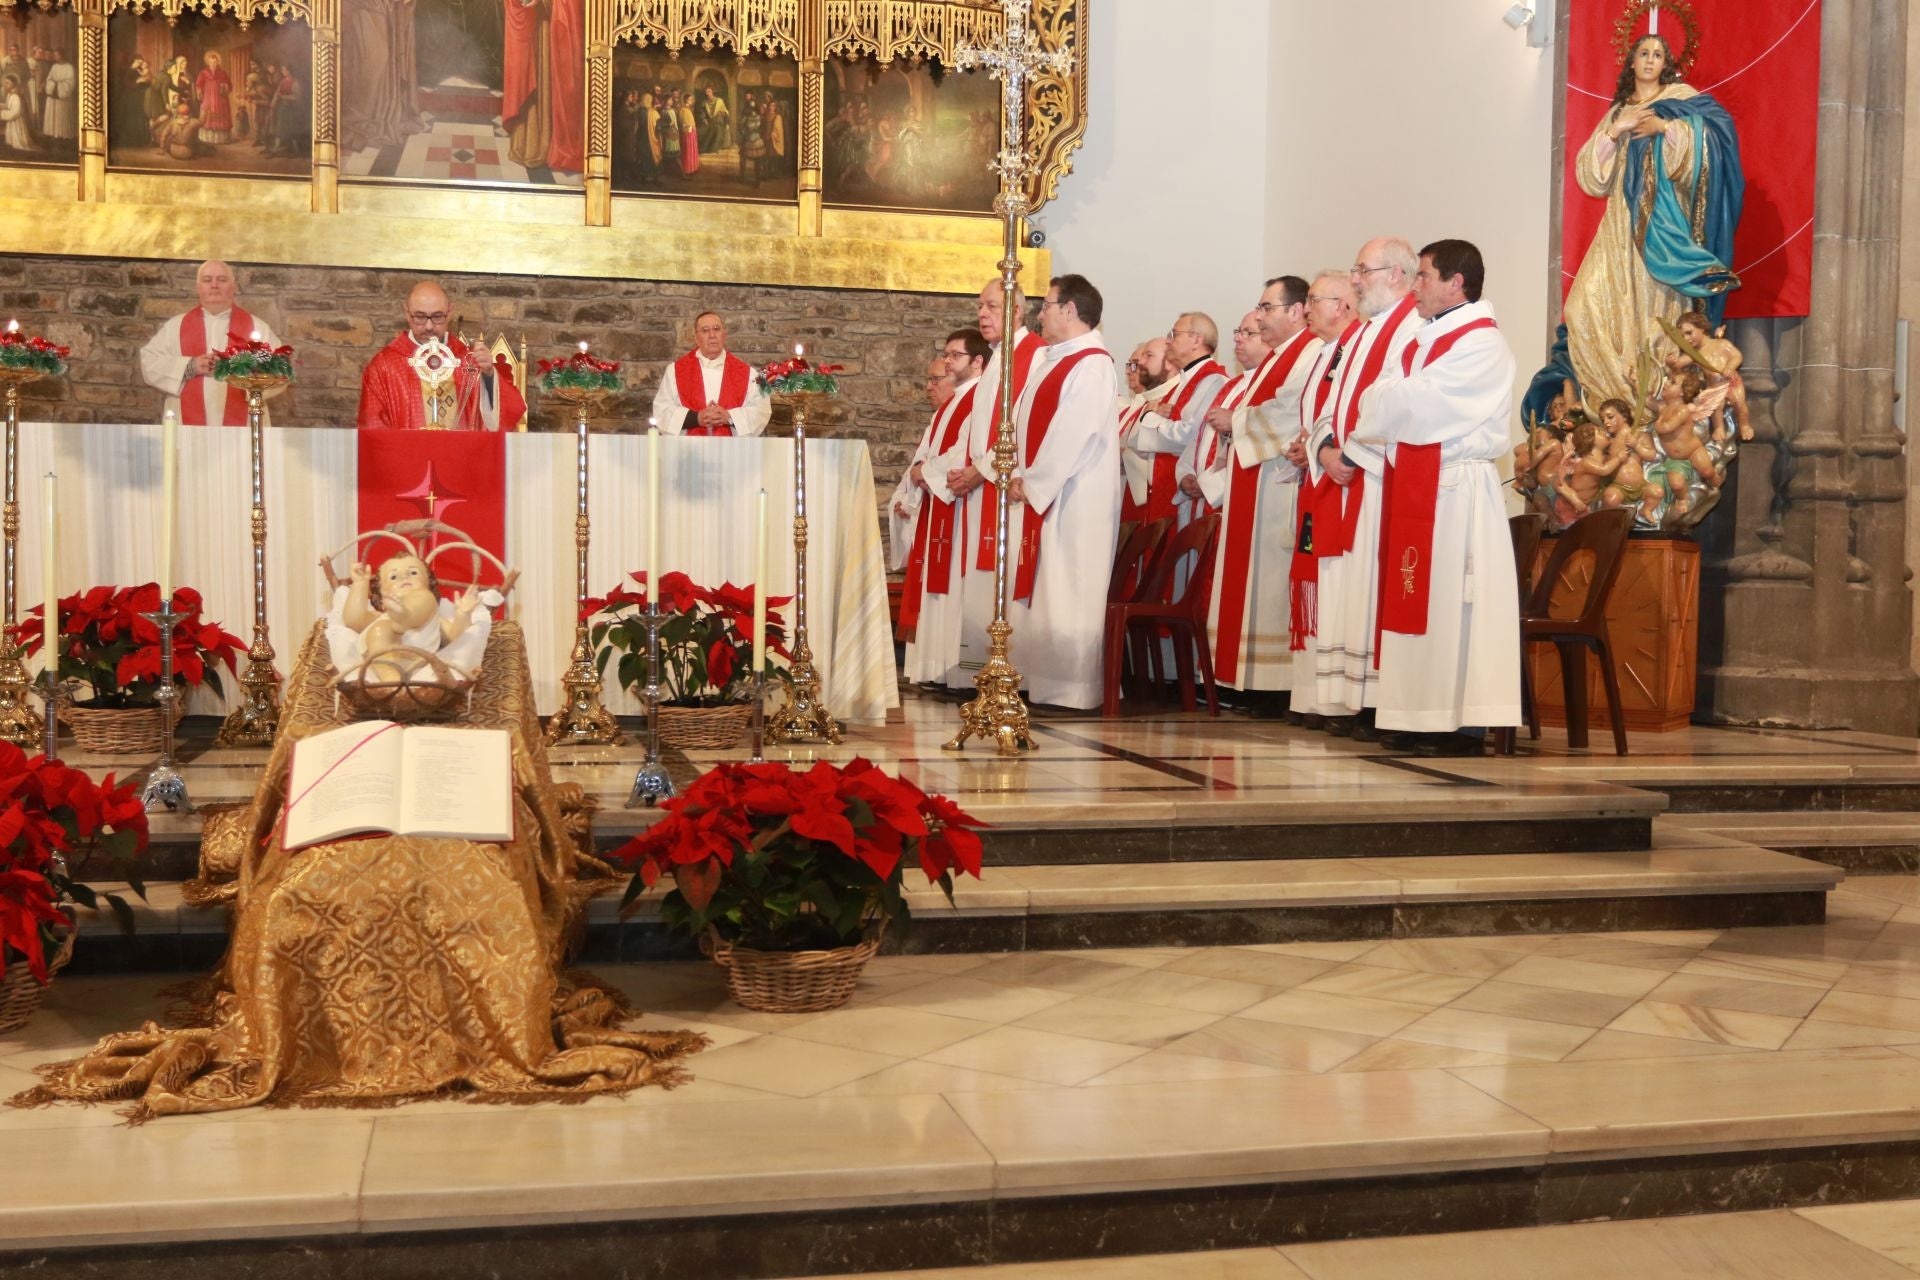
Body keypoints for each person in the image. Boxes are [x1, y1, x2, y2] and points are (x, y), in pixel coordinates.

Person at [1350, 239, 1520, 755]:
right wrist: (1396, 399)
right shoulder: (1420, 340)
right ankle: (1414, 713)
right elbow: (1373, 403)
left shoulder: (1482, 343)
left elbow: (1419, 405)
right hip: (1422, 484)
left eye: (1423, 276)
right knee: (1419, 603)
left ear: (1456, 283)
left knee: (1453, 606)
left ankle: (1458, 724)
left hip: (1459, 491)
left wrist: (1396, 399)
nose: (1415, 286)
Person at [1563, 32, 1743, 409]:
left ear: (1666, 64)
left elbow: (1715, 139)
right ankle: (1613, 403)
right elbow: (1592, 178)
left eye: (1658, 55)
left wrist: (1664, 128)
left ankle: (1650, 407)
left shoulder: (1680, 100)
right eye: (1643, 53)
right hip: (1618, 226)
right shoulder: (1618, 112)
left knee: (1651, 319)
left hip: (1660, 227)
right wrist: (1617, 129)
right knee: (1579, 310)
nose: (1649, 60)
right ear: (1631, 62)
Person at [1304, 237, 1423, 736]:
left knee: (1374, 589)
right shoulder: (1360, 336)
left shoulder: (1411, 329)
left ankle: (1377, 701)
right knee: (1351, 592)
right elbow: (1332, 405)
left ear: (1396, 274)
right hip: (1351, 472)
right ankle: (1354, 699)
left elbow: (1396, 406)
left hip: (1381, 481)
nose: (1355, 281)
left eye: (1362, 270)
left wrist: (1353, 453)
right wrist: (1328, 448)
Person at [1002, 274, 1122, 710]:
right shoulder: (1054, 360)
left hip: (1076, 498)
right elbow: (1021, 424)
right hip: (1046, 492)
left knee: (1068, 585)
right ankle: (1038, 680)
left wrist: (1030, 480)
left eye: (1047, 305)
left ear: (1070, 310)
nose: (1040, 314)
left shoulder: (1092, 363)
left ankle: (1069, 689)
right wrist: (1019, 471)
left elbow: (1074, 432)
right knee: (1044, 587)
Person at [1202, 278, 1323, 707]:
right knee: (1251, 583)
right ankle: (1248, 680)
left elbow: (1291, 410)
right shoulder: (1278, 358)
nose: (1260, 315)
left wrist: (1235, 421)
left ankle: (1273, 685)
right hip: (1256, 484)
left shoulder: (1308, 352)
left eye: (1267, 307)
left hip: (1279, 487)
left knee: (1270, 583)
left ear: (1295, 311)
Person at [935, 279, 1047, 691]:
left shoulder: (1031, 356)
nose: (982, 313)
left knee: (1002, 579)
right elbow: (979, 425)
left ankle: (1004, 676)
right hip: (984, 483)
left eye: (992, 306)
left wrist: (980, 470)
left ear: (1016, 311)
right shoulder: (1000, 357)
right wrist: (969, 468)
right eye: (980, 306)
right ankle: (981, 674)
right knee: (982, 581)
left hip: (1005, 486)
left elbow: (1018, 424)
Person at [1285, 271, 1360, 722]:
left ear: (1343, 305)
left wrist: (1318, 445)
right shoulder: (1323, 352)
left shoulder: (1355, 349)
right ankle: (1312, 695)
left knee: (1334, 586)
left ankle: (1333, 699)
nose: (1307, 308)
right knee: (1316, 580)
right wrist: (1305, 442)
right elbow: (1317, 415)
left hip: (1340, 484)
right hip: (1317, 478)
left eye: (1314, 300)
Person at [897, 330, 990, 687]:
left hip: (962, 503)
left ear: (977, 361)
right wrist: (921, 474)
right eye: (947, 355)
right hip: (942, 502)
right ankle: (936, 670)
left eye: (955, 355)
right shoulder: (953, 402)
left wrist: (927, 472)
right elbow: (937, 451)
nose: (948, 361)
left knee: (955, 589)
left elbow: (964, 452)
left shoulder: (978, 397)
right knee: (939, 588)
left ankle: (955, 672)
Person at [357, 281, 526, 429]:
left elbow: (513, 409)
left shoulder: (468, 360)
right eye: (420, 317)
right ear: (407, 313)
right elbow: (373, 428)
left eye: (437, 316)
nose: (429, 326)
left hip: (460, 459)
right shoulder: (384, 366)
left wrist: (488, 377)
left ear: (450, 312)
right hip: (408, 461)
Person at [138, 259, 285, 426]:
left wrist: (237, 369)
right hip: (186, 423)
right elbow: (149, 363)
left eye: (222, 280)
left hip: (244, 423)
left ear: (234, 287)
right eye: (207, 280)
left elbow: (281, 370)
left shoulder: (258, 327)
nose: (214, 285)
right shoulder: (175, 327)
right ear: (198, 287)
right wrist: (190, 366)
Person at [1129, 314, 1225, 528]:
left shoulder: (1213, 380)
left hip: (1189, 493)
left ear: (1196, 340)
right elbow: (1138, 443)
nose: (1169, 340)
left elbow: (1188, 435)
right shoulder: (1183, 381)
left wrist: (1149, 417)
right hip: (1169, 488)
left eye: (1174, 334)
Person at [651, 310, 770, 436]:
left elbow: (761, 410)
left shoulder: (749, 374)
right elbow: (662, 410)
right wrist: (696, 418)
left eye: (716, 329)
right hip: (688, 449)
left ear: (724, 334)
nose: (712, 335)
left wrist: (730, 416)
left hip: (731, 450)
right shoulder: (675, 371)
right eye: (705, 330)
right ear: (696, 338)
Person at [1115, 337, 1174, 523]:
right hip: (1125, 492)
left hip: (1151, 493)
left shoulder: (1166, 400)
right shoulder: (1139, 404)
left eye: (1147, 357)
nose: (1135, 368)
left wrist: (1121, 455)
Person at [193, 50, 231, 146]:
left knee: (221, 113)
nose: (213, 64)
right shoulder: (203, 72)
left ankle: (220, 139)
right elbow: (198, 84)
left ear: (218, 62)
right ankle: (207, 139)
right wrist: (199, 91)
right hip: (208, 97)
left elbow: (229, 85)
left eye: (214, 62)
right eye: (211, 62)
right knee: (207, 113)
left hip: (220, 98)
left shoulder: (222, 72)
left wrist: (225, 87)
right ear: (208, 62)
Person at [38, 44, 73, 146]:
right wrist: (52, 85)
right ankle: (52, 134)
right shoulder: (54, 66)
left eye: (57, 55)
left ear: (62, 55)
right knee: (53, 117)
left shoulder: (69, 67)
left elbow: (70, 83)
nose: (55, 57)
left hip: (62, 99)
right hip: (53, 97)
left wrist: (57, 85)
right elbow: (49, 79)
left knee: (61, 118)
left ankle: (62, 137)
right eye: (55, 55)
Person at [0, 75, 30, 154]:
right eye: (5, 83)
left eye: (7, 83)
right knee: (11, 142)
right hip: (11, 122)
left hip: (16, 122)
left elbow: (15, 113)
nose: (5, 85)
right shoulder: (10, 94)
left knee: (17, 143)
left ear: (13, 84)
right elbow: (7, 105)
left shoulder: (16, 96)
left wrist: (1, 114)